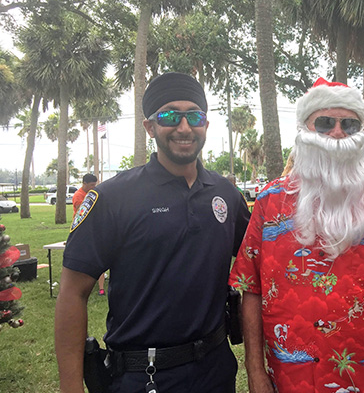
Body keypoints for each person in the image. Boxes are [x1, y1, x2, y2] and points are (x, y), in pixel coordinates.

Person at [230, 78, 364, 393]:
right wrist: (256, 373)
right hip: (292, 383)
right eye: (324, 123)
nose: (337, 133)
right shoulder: (270, 201)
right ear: (305, 130)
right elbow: (251, 290)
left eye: (349, 124)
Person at [55, 72, 250, 393]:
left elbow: (264, 259)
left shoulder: (225, 194)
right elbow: (73, 293)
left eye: (194, 116)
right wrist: (70, 387)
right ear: (150, 126)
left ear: (206, 125)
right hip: (142, 377)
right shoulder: (113, 198)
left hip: (216, 371)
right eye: (170, 116)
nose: (184, 127)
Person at [71, 174, 105, 295]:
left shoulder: (93, 194)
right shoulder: (78, 196)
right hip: (81, 231)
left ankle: (101, 288)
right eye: (91, 185)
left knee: (100, 256)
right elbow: (82, 212)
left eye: (95, 185)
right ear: (84, 183)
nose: (93, 187)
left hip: (95, 230)